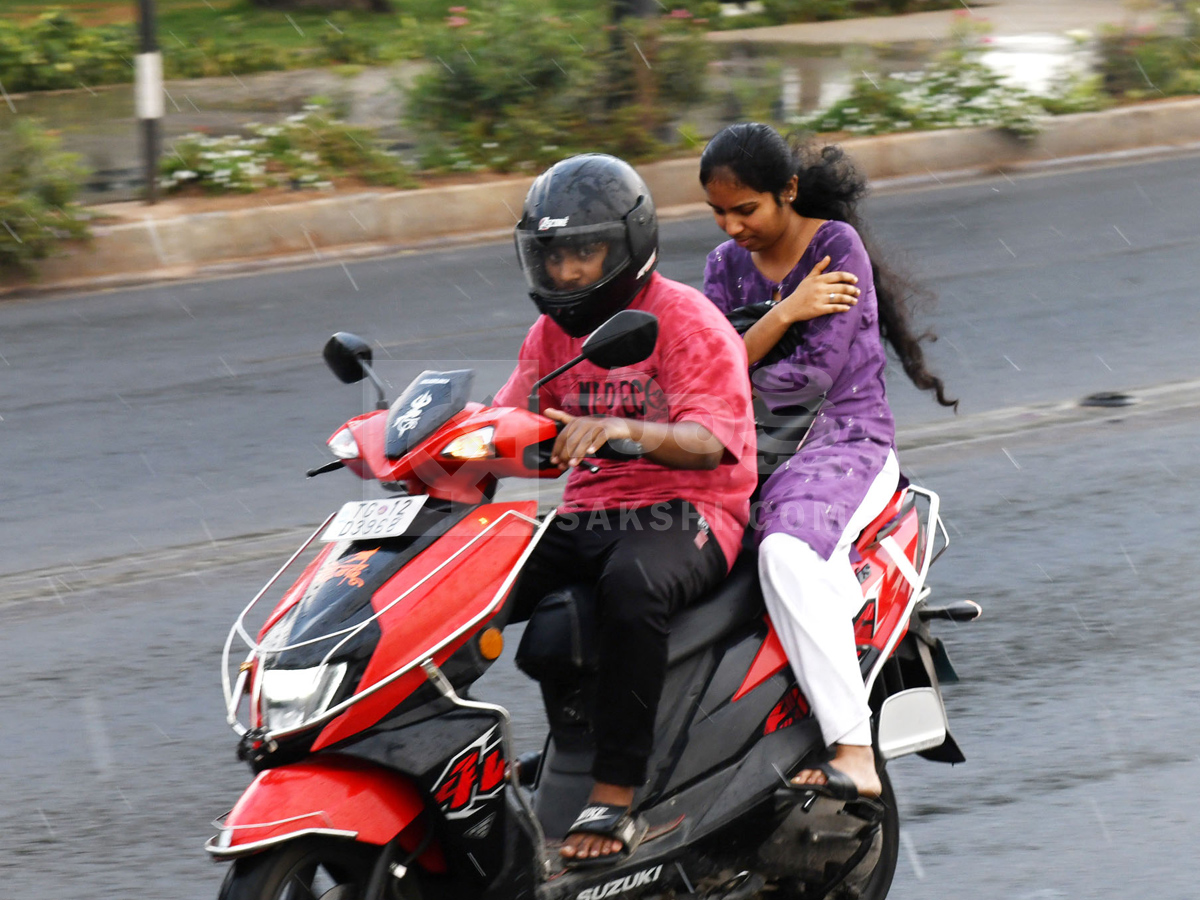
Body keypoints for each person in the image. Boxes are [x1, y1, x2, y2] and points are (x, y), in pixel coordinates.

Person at [493, 153, 756, 864]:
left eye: (586, 252)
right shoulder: (552, 333)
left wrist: (626, 430)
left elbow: (709, 443)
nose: (569, 273)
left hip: (688, 511)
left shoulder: (687, 324)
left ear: (628, 246)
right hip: (588, 513)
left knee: (630, 586)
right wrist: (421, 448)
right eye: (554, 255)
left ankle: (615, 796)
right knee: (471, 574)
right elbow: (506, 424)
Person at [699, 123, 955, 801]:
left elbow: (811, 380)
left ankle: (853, 746)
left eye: (745, 209)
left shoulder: (834, 249)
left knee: (783, 553)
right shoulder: (723, 267)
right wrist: (785, 314)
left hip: (845, 441)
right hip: (753, 446)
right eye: (718, 213)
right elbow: (710, 376)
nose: (732, 227)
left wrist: (751, 344)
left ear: (787, 192)